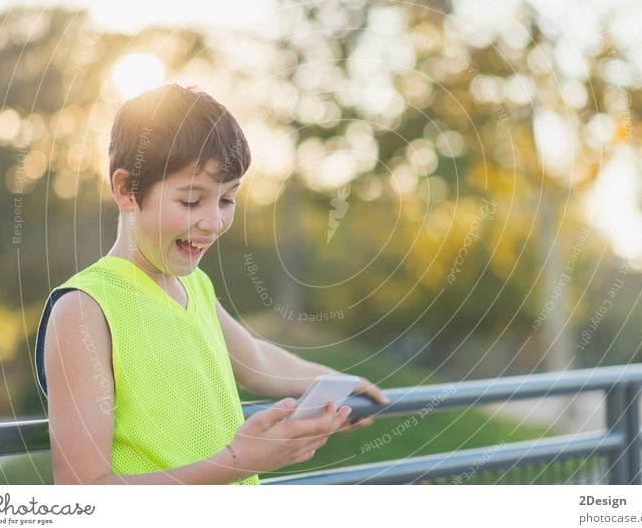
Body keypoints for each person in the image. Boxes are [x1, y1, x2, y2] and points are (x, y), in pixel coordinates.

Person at [34, 83, 389, 485]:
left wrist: (338, 386)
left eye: (226, 200)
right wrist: (238, 461)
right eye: (190, 202)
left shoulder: (195, 286)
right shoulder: (85, 308)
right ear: (125, 190)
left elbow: (256, 361)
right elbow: (83, 492)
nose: (213, 223)